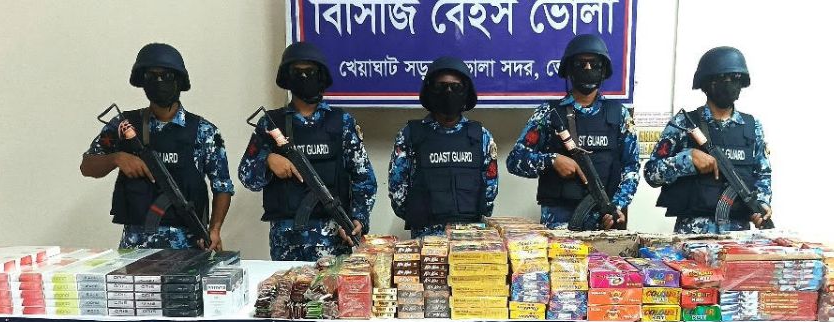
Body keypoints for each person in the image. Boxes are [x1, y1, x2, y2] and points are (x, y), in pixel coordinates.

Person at [80, 43, 232, 250]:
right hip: (136, 246)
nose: (159, 82)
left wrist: (214, 229)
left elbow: (222, 186)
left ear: (179, 81)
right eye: (151, 76)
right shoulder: (124, 126)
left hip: (188, 242)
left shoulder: (204, 131)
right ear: (142, 81)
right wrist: (117, 158)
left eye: (167, 76)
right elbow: (87, 166)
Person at [239, 42, 377, 261]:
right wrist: (267, 160)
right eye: (297, 72)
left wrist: (357, 218)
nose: (304, 78)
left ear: (320, 77)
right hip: (286, 242)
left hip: (334, 237)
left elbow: (364, 178)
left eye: (310, 72)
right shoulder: (271, 123)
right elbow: (247, 178)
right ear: (287, 78)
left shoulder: (341, 122)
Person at [506, 34, 639, 230]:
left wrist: (616, 206)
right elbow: (515, 160)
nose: (588, 68)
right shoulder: (549, 113)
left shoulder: (619, 115)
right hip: (558, 222)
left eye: (594, 64)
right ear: (569, 69)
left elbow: (631, 168)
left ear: (603, 70)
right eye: (580, 64)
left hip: (605, 221)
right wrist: (552, 160)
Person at [643, 46, 773, 234]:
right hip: (692, 236)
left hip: (737, 237)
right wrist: (687, 160)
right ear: (706, 84)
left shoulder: (752, 127)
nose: (729, 84)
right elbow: (651, 174)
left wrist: (761, 204)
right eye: (722, 79)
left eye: (735, 78)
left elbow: (763, 175)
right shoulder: (684, 124)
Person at [388, 57, 499, 239]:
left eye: (456, 87)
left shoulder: (481, 136)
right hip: (425, 240)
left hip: (470, 238)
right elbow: (397, 191)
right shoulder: (410, 135)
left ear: (466, 92)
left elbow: (490, 190)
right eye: (440, 86)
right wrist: (421, 218)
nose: (448, 92)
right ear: (429, 91)